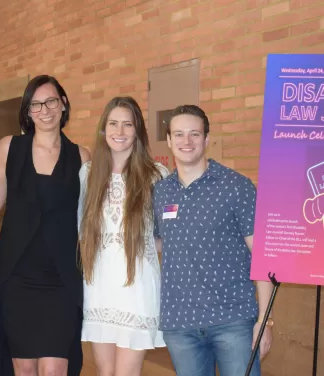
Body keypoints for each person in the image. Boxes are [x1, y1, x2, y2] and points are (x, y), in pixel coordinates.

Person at [153, 105, 273, 376]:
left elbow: (262, 256)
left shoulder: (236, 187)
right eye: (179, 134)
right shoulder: (161, 192)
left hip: (233, 321)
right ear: (169, 140)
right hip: (180, 324)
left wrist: (266, 320)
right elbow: (159, 244)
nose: (187, 141)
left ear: (206, 140)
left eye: (195, 134)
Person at [0, 75, 90, 376]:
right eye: (35, 104)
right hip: (17, 278)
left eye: (50, 101)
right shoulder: (9, 148)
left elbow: (89, 220)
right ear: (27, 110)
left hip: (61, 280)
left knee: (54, 368)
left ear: (63, 104)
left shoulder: (81, 156)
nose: (44, 110)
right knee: (24, 369)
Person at [79, 96, 168, 376]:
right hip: (98, 286)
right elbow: (79, 229)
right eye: (113, 124)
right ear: (103, 130)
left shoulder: (156, 175)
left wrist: (144, 247)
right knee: (104, 372)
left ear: (138, 130)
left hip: (137, 287)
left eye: (127, 125)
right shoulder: (88, 174)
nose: (119, 132)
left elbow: (169, 234)